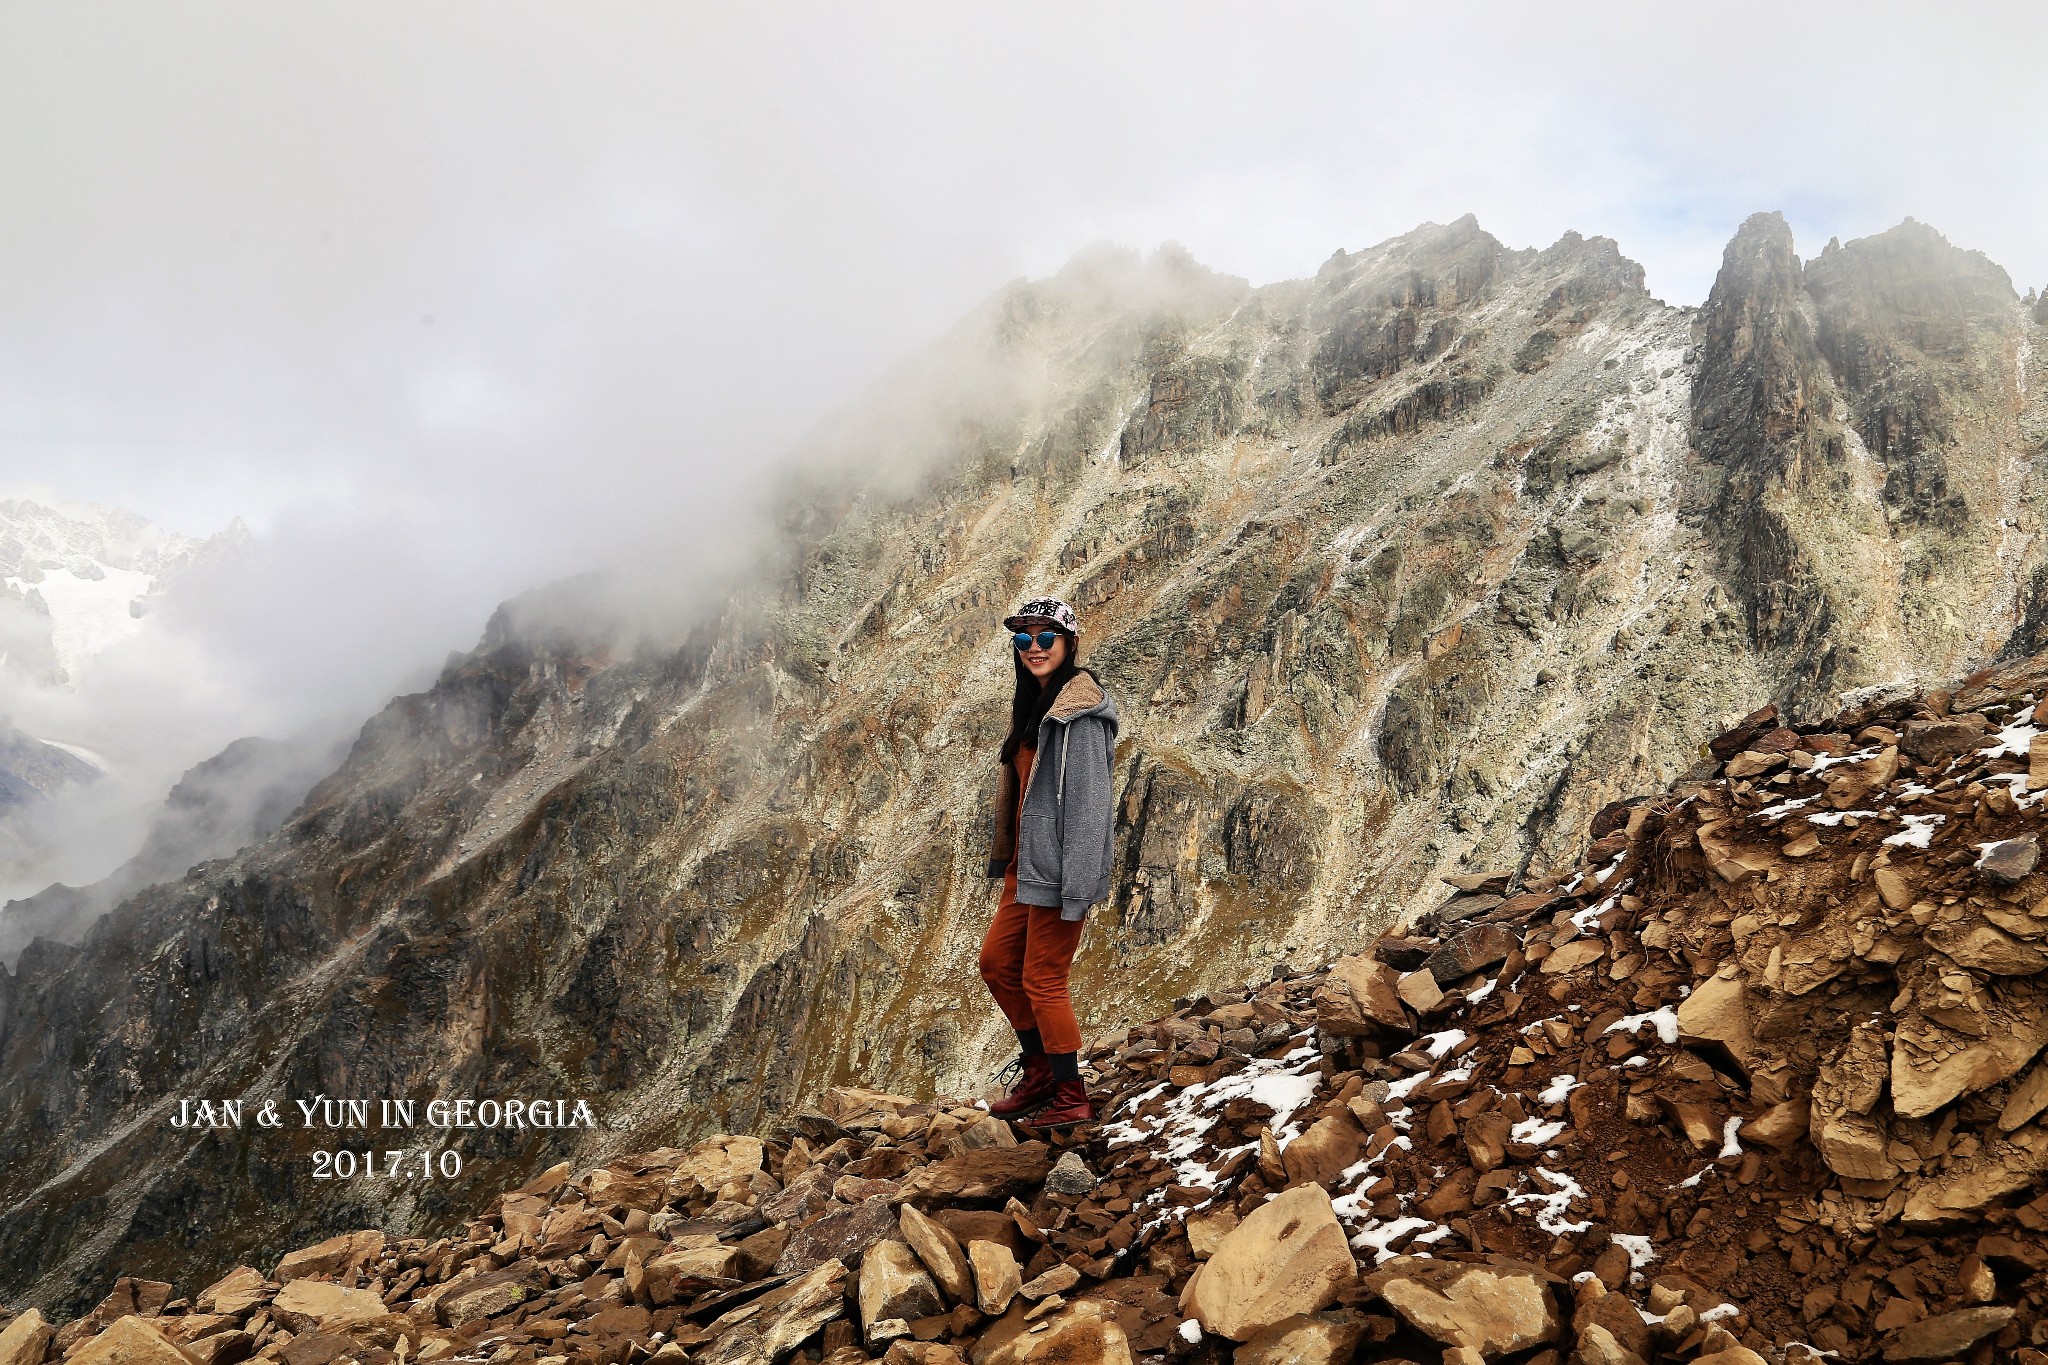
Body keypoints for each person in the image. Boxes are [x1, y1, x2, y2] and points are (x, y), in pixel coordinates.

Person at [977, 595, 1120, 1128]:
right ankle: (1039, 1071)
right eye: (1022, 639)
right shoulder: (1035, 707)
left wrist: (1077, 886)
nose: (1032, 648)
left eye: (1044, 638)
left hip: (1061, 875)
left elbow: (1089, 806)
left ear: (1069, 643)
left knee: (1043, 978)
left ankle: (1070, 1094)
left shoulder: (1079, 716)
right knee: (996, 964)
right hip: (1025, 870)